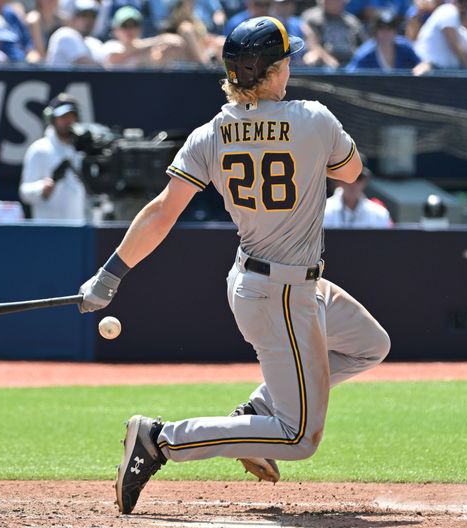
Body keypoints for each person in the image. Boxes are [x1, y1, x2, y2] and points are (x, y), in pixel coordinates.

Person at [75, 16, 390, 514]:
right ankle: (161, 440)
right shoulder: (314, 118)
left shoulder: (211, 134)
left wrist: (109, 274)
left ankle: (257, 412)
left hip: (262, 281)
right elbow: (352, 172)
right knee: (299, 438)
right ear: (270, 71)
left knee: (370, 344)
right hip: (281, 294)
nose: (290, 67)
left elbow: (161, 213)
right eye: (285, 61)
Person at [19, 93, 88, 220]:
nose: (68, 121)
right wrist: (42, 188)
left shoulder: (82, 151)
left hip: (77, 230)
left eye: (71, 117)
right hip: (48, 231)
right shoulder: (39, 150)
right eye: (63, 117)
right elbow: (24, 192)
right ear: (51, 119)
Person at [100, 6, 188, 68]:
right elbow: (115, 58)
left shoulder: (147, 49)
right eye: (125, 26)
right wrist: (160, 39)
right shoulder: (110, 46)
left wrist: (167, 52)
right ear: (116, 30)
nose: (129, 30)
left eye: (134, 25)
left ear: (140, 28)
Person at [413, 0, 467, 70]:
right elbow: (455, 46)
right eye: (461, 1)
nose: (464, 5)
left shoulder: (464, 30)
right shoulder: (448, 10)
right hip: (427, 67)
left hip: (446, 72)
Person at [322, 159, 392, 227]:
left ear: (365, 181)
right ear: (338, 180)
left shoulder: (380, 214)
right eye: (347, 178)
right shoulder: (322, 212)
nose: (352, 183)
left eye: (359, 178)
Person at [345, 9, 419, 71]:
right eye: (382, 29)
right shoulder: (365, 53)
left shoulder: (406, 49)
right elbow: (351, 74)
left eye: (390, 29)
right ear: (375, 32)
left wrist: (422, 67)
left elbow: (420, 64)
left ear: (395, 31)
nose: (386, 33)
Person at [301, 0, 368, 67]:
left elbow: (365, 45)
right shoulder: (312, 18)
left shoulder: (352, 21)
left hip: (350, 61)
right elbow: (312, 43)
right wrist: (327, 59)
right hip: (324, 60)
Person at [45, 0, 104, 65]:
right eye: (83, 15)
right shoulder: (65, 34)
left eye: (92, 16)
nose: (88, 20)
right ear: (72, 17)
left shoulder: (93, 43)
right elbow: (84, 64)